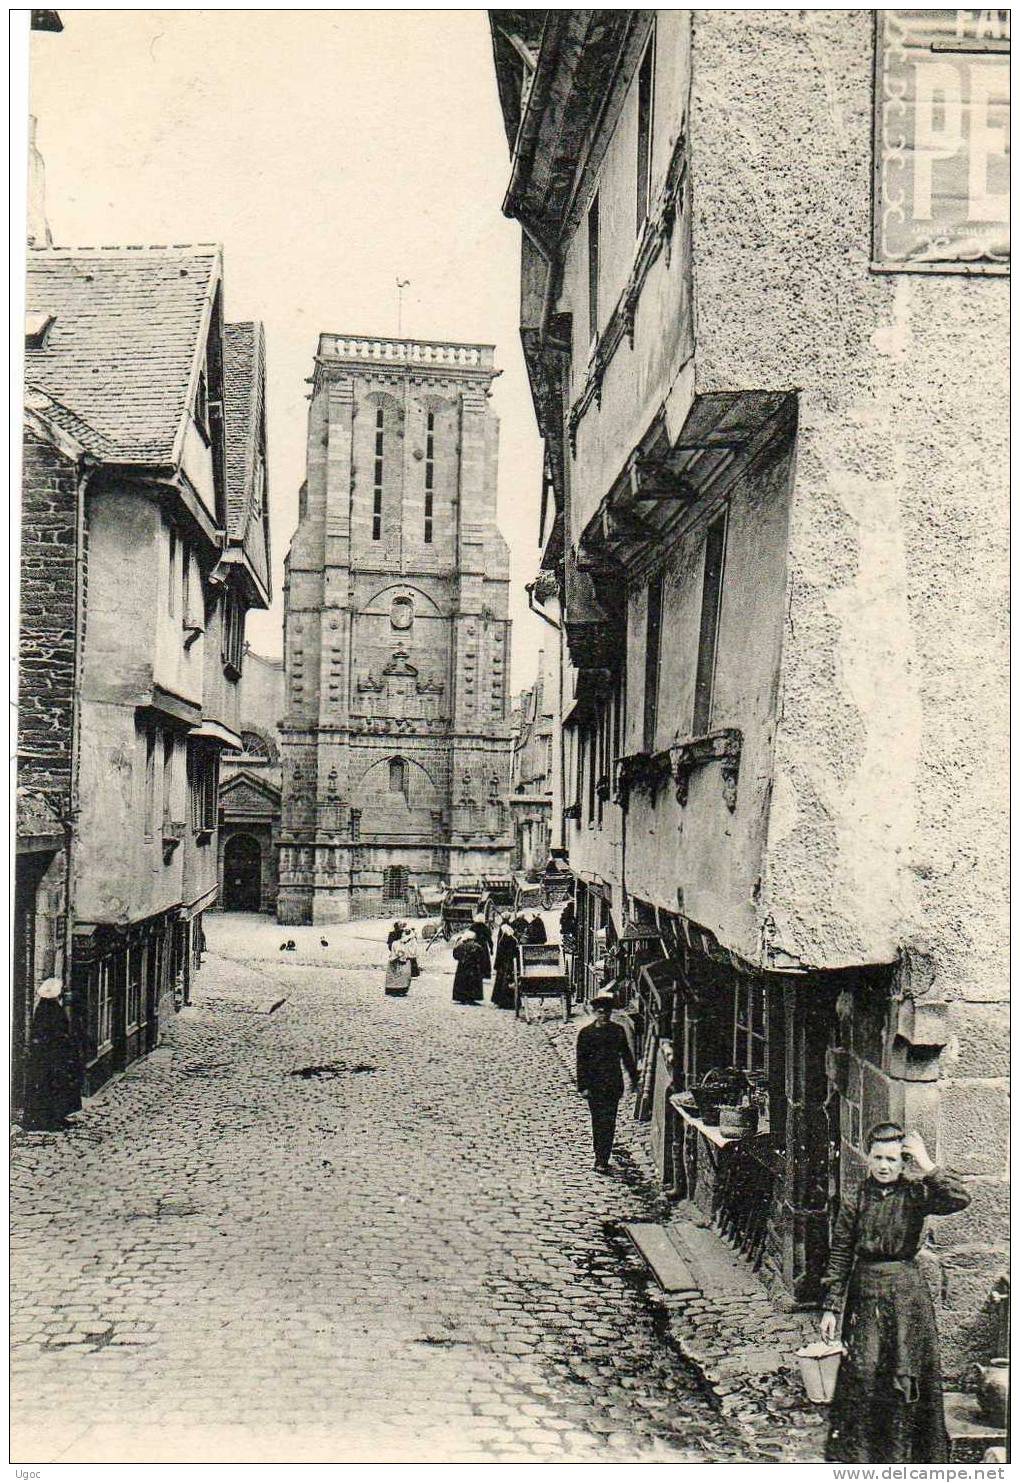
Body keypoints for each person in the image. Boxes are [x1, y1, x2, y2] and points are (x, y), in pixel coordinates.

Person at [819, 1123, 970, 1463]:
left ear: (903, 1162)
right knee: (864, 1374)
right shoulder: (855, 1197)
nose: (884, 1166)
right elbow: (841, 1251)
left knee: (906, 1374)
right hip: (866, 1293)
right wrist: (831, 1307)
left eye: (892, 1159)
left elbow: (959, 1198)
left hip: (906, 1296)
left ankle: (909, 1458)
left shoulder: (915, 1194)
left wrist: (927, 1164)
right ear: (868, 1158)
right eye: (877, 1157)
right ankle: (862, 1459)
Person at [575, 991, 638, 1172]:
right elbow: (581, 1062)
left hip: (612, 1083)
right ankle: (599, 1158)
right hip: (594, 1085)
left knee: (609, 1122)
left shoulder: (617, 1031)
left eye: (606, 1013)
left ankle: (604, 1157)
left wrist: (634, 1079)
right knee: (597, 1121)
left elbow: (626, 1056)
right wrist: (583, 1087)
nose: (603, 1016)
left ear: (610, 1014)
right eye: (600, 1012)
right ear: (594, 1012)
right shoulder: (585, 1034)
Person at [22, 978, 83, 1132]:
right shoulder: (50, 1009)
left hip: (54, 1055)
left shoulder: (47, 1007)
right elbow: (50, 1034)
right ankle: (49, 1121)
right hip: (50, 1057)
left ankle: (58, 1117)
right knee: (50, 1087)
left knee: (58, 1087)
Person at [491, 916, 518, 1010]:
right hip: (511, 964)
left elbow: (499, 953)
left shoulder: (502, 941)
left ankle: (501, 1002)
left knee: (501, 982)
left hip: (503, 965)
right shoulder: (514, 940)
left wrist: (496, 965)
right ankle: (511, 1002)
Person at [451, 930, 486, 1004]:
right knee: (473, 982)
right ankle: (472, 997)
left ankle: (461, 997)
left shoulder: (460, 946)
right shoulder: (477, 946)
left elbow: (455, 955)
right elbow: (482, 958)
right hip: (474, 968)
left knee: (462, 982)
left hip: (462, 967)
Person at [384, 925, 418, 997]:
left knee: (395, 976)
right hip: (401, 960)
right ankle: (400, 988)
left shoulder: (396, 943)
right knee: (401, 975)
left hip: (396, 960)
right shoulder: (398, 943)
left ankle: (393, 988)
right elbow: (402, 952)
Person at [470, 913, 493, 980]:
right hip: (483, 945)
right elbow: (489, 939)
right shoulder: (485, 927)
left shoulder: (473, 926)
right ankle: (484, 974)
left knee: (474, 959)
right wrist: (491, 948)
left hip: (474, 944)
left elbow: (469, 935)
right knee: (484, 960)